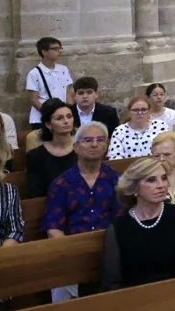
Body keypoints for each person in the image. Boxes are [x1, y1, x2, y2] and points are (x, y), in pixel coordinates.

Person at [43, 121, 120, 301]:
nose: (94, 144)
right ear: (76, 147)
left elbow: (121, 222)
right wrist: (72, 255)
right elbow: (54, 228)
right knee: (62, 284)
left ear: (107, 146)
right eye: (88, 140)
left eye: (100, 140)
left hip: (109, 251)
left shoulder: (117, 180)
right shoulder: (61, 183)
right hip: (71, 252)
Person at [103, 156, 175, 289]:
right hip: (134, 300)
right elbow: (113, 281)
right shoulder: (119, 228)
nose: (161, 185)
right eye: (151, 180)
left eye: (164, 178)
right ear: (135, 188)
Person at [25, 98, 78, 198]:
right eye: (59, 118)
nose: (66, 121)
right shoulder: (35, 156)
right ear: (48, 124)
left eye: (69, 116)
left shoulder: (82, 149)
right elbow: (35, 194)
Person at [25, 36, 74, 126]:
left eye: (60, 48)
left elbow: (68, 93)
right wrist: (49, 114)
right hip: (42, 118)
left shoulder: (63, 69)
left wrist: (70, 110)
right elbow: (33, 99)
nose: (59, 51)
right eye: (55, 49)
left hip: (62, 118)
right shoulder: (34, 73)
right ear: (44, 52)